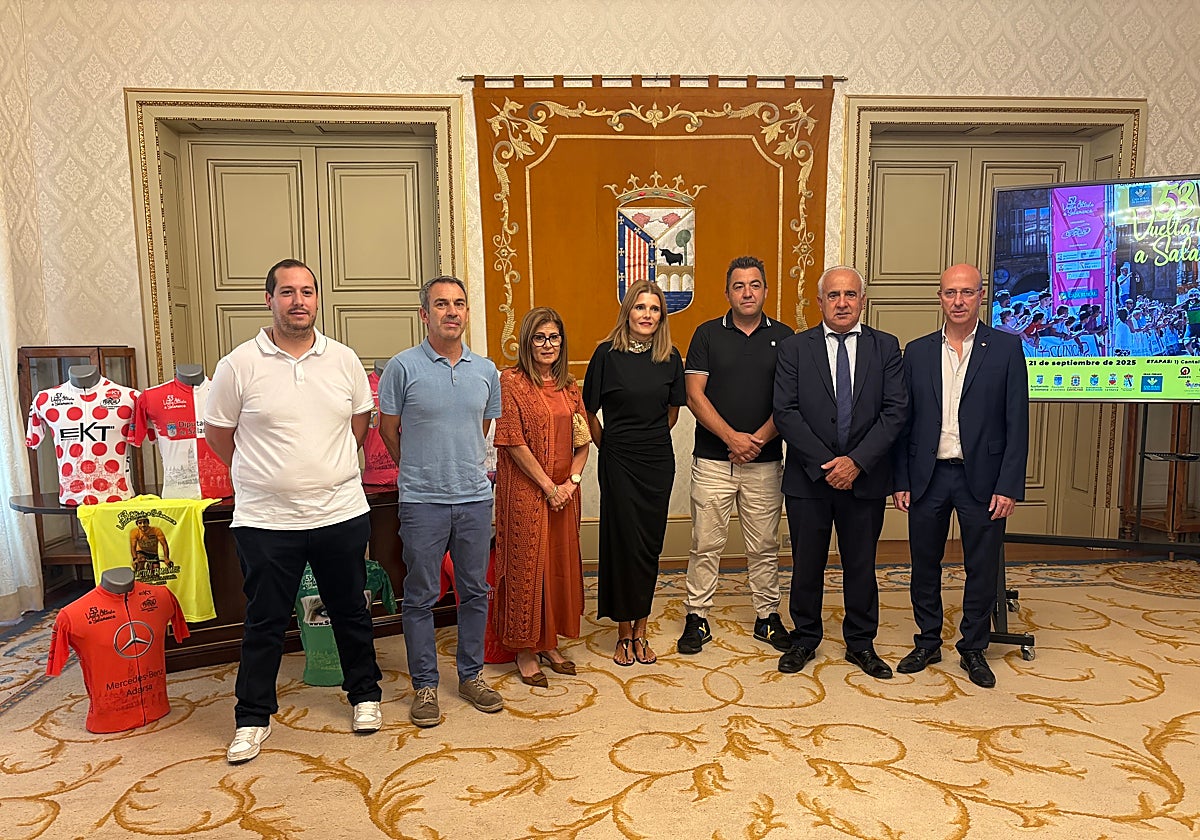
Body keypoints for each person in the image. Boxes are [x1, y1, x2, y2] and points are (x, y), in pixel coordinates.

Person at [205, 258, 383, 764]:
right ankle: (252, 717)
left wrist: (325, 470)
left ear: (317, 300)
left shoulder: (344, 359)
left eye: (307, 291)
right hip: (267, 520)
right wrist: (267, 475)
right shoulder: (238, 364)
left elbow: (359, 422)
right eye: (287, 292)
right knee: (263, 621)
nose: (298, 301)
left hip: (340, 512)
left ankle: (365, 695)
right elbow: (219, 435)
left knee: (350, 610)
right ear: (269, 300)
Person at [891, 263, 1029, 689]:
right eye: (950, 293)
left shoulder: (1005, 348)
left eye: (966, 292)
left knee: (981, 568)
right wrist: (901, 478)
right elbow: (903, 421)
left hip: (983, 479)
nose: (958, 301)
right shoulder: (915, 351)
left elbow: (1017, 423)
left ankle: (973, 647)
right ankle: (928, 641)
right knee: (923, 565)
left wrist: (1008, 485)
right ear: (939, 297)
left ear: (981, 296)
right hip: (927, 475)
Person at [378, 275, 504, 727]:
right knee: (420, 595)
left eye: (459, 304)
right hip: (422, 501)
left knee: (475, 590)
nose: (452, 311)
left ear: (467, 313)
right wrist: (416, 468)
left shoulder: (486, 371)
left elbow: (485, 432)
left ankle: (471, 676)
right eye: (441, 304)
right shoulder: (402, 367)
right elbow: (389, 431)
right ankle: (425, 685)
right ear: (424, 314)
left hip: (473, 498)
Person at [772, 265, 907, 679]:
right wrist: (828, 464)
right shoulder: (795, 348)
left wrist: (856, 462)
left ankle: (861, 643)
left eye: (850, 295)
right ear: (820, 303)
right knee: (806, 564)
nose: (843, 302)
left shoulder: (886, 347)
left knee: (861, 565)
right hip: (809, 479)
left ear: (862, 301)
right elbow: (786, 411)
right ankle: (805, 638)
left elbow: (895, 410)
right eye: (834, 296)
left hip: (864, 478)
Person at [677, 256, 794, 656]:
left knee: (764, 545)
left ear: (765, 290)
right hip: (713, 460)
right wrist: (732, 438)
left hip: (764, 462)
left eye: (755, 285)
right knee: (705, 543)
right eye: (739, 286)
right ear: (727, 293)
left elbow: (789, 401)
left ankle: (767, 617)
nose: (747, 292)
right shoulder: (707, 334)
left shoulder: (785, 336)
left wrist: (755, 442)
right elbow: (694, 395)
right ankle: (697, 616)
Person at [583, 279, 685, 666]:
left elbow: (672, 412)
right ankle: (623, 632)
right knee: (622, 544)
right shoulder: (606, 355)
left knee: (648, 546)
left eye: (654, 308)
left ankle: (642, 629)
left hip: (657, 462)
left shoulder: (670, 357)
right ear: (628, 312)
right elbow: (588, 411)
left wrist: (650, 440)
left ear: (662, 316)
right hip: (618, 461)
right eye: (640, 307)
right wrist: (607, 446)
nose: (647, 315)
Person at [493, 307, 590, 685]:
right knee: (526, 567)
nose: (547, 345)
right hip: (527, 494)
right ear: (526, 342)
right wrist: (548, 487)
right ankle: (524, 649)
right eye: (539, 337)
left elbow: (583, 441)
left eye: (553, 337)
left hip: (565, 495)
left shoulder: (569, 385)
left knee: (557, 566)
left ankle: (549, 643)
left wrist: (571, 483)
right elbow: (513, 441)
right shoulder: (512, 382)